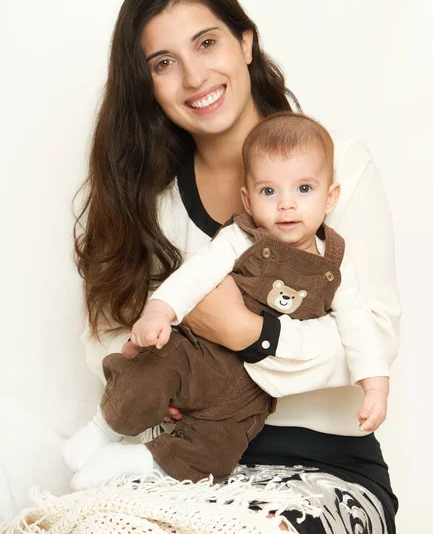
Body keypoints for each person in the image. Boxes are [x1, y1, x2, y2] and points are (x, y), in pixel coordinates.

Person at [72, 0, 401, 533]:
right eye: (163, 62)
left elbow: (373, 337)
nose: (194, 76)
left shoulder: (335, 167)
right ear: (146, 83)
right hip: (175, 457)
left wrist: (251, 335)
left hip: (327, 464)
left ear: (245, 43)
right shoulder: (151, 198)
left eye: (206, 43)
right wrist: (163, 378)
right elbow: (107, 335)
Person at [64, 113, 389, 489]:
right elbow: (196, 274)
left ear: (330, 197)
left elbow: (358, 327)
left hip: (252, 393)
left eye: (304, 189)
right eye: (270, 192)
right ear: (248, 200)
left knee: (217, 450)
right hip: (201, 352)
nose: (286, 205)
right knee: (151, 371)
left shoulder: (335, 262)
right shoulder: (241, 238)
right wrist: (159, 310)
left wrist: (375, 384)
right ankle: (102, 431)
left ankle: (139, 461)